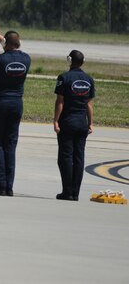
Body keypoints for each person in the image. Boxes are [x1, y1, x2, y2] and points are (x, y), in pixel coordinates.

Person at [0, 20, 31, 196]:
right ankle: (9, 187)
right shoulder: (26, 59)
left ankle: (0, 185)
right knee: (10, 145)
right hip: (16, 104)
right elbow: (10, 44)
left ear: (6, 44)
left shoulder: (0, 60)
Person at [53, 50, 95, 201]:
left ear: (69, 60)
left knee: (65, 157)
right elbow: (89, 104)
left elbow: (60, 102)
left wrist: (56, 120)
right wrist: (90, 122)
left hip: (67, 122)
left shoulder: (64, 77)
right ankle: (75, 193)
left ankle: (67, 191)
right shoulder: (89, 79)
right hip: (82, 123)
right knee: (79, 158)